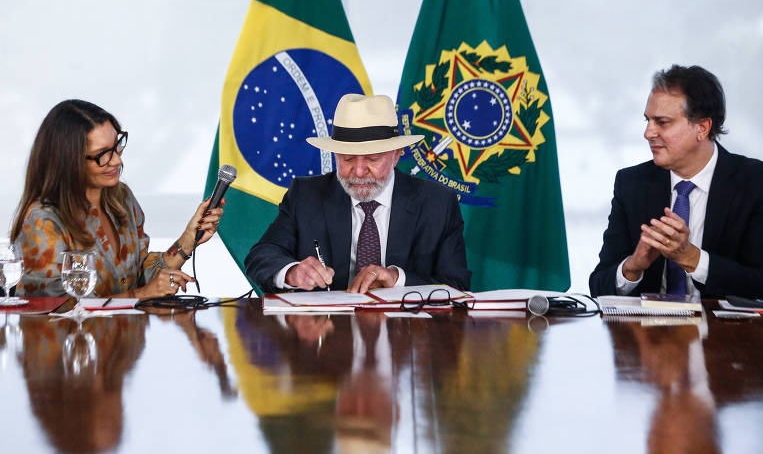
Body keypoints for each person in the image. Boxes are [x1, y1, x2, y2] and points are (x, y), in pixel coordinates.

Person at [245, 93, 471, 293]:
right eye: (347, 159)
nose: (359, 171)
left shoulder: (438, 202)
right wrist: (292, 272)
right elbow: (261, 256)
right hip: (326, 333)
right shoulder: (306, 195)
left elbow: (457, 285)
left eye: (373, 159)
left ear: (397, 155)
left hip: (406, 335)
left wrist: (397, 279)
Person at [11, 99, 224, 298]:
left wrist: (188, 240)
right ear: (69, 161)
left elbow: (138, 277)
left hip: (125, 337)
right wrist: (140, 295)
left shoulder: (121, 199)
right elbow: (61, 309)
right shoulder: (41, 221)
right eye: (102, 154)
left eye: (117, 145)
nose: (117, 160)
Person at [590, 65, 763, 298]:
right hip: (648, 332)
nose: (648, 133)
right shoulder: (631, 183)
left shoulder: (756, 182)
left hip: (725, 333)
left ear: (702, 128)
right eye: (647, 120)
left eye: (662, 122)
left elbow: (762, 283)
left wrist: (692, 259)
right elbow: (598, 285)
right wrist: (633, 267)